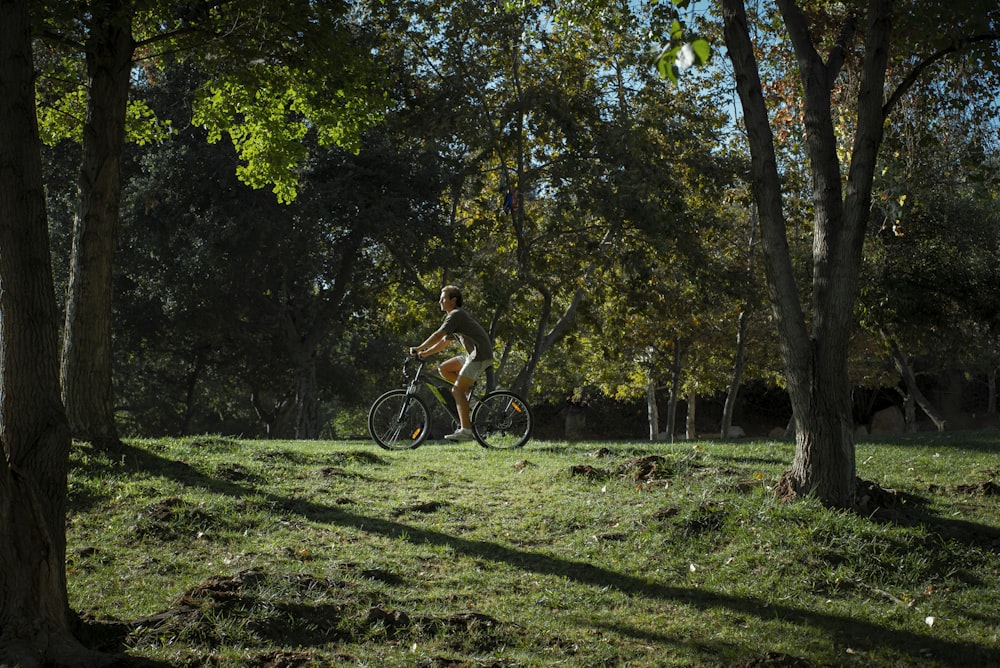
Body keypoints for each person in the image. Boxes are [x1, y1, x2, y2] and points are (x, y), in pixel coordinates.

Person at [409, 285, 493, 441]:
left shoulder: (456, 314)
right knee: (444, 369)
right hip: (472, 354)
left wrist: (418, 348)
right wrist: (424, 354)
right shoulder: (455, 316)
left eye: (443, 298)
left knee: (456, 391)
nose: (440, 301)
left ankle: (466, 431)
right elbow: (443, 342)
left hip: (479, 355)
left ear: (453, 300)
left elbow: (438, 334)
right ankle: (470, 399)